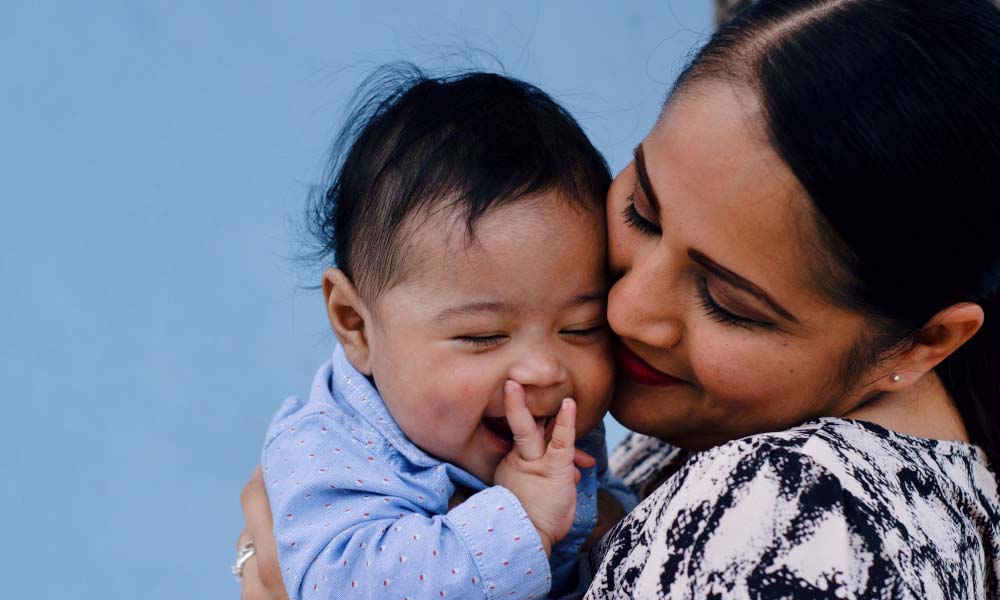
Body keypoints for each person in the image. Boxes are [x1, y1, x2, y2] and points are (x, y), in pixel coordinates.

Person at [239, 0, 1000, 598]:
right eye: (642, 210)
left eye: (727, 300)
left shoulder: (800, 517)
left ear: (922, 342)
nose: (624, 311)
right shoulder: (700, 417)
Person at [246, 69, 637, 600]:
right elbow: (339, 586)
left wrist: (606, 516)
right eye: (482, 336)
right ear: (355, 324)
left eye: (581, 328)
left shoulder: (547, 425)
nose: (546, 369)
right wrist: (519, 519)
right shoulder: (328, 449)